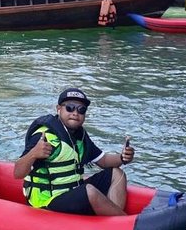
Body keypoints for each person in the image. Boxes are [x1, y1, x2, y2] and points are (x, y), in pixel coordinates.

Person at [14, 87, 135, 216]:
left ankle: (114, 223)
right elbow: (17, 173)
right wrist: (34, 153)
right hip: (47, 201)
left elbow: (104, 160)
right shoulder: (44, 136)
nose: (75, 113)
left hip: (73, 191)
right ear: (58, 109)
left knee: (117, 173)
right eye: (69, 108)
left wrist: (123, 157)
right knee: (89, 191)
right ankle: (124, 223)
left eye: (81, 109)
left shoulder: (80, 136)